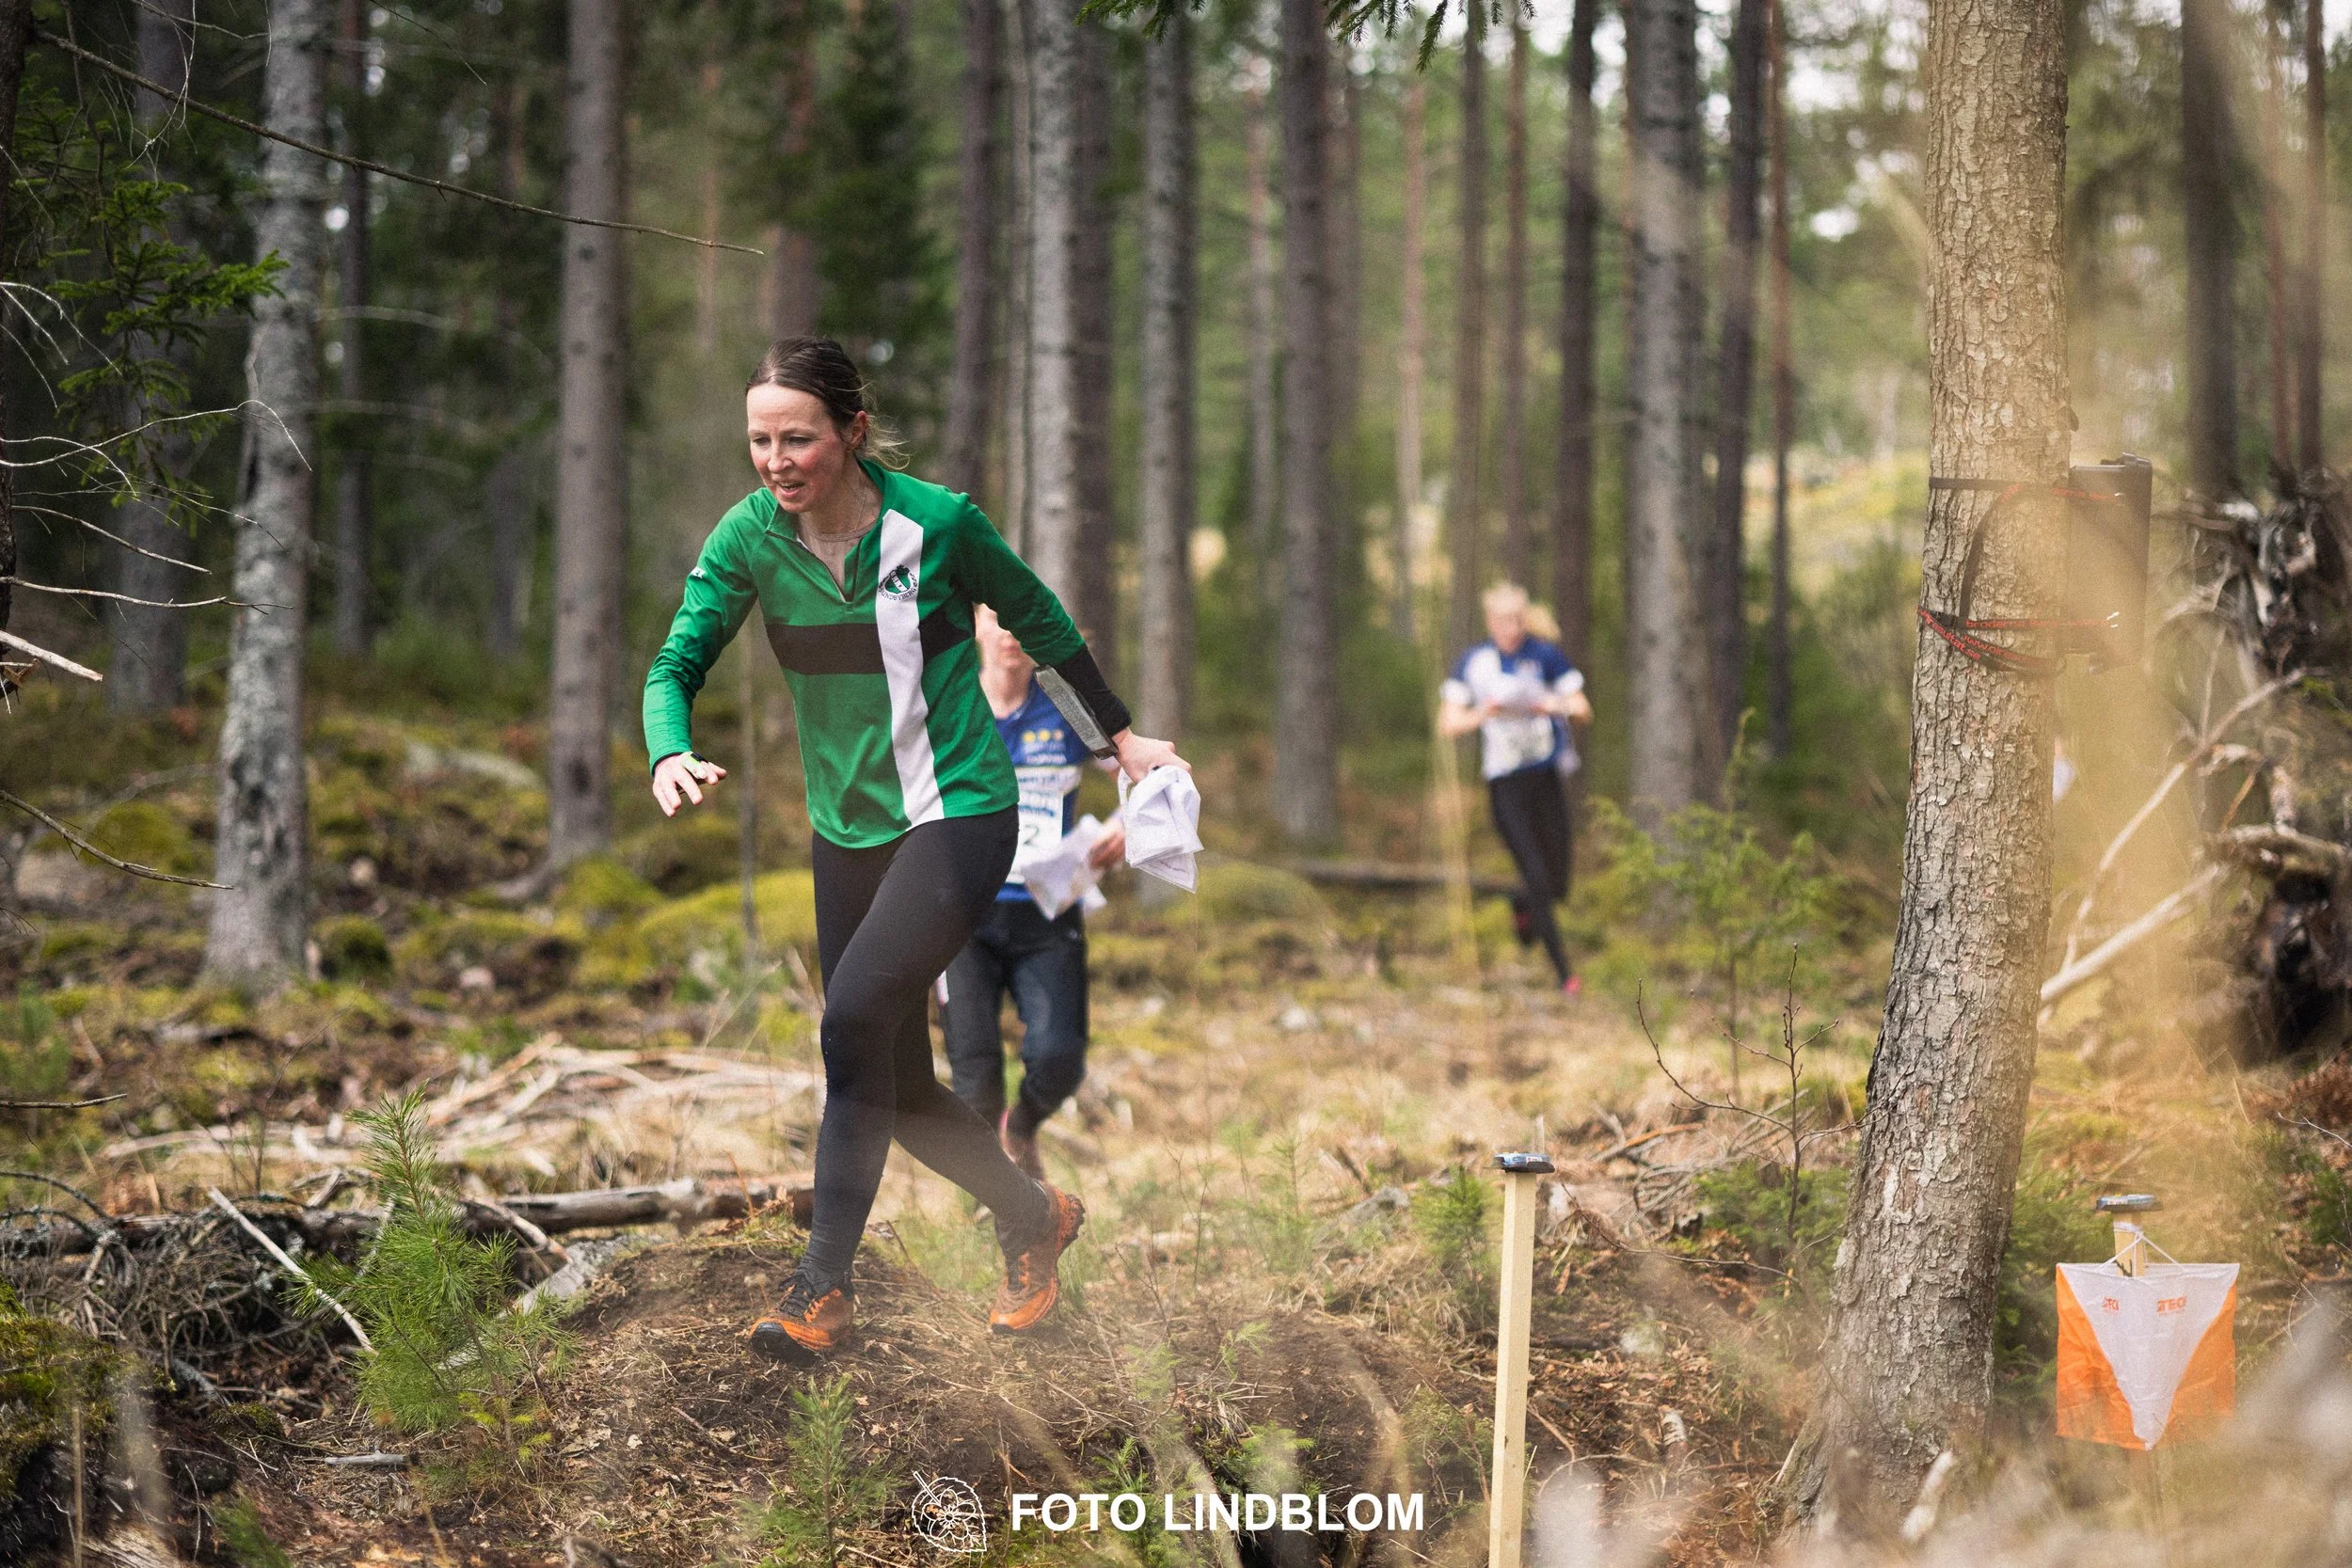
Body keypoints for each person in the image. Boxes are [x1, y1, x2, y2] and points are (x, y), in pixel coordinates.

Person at [643, 338, 1186, 1357]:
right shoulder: (749, 537)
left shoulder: (939, 524)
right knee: (890, 1078)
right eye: (760, 440)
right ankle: (1032, 1215)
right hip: (846, 831)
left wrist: (1120, 738)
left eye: (798, 438)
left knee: (848, 1018)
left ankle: (819, 1288)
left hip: (960, 809)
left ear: (852, 431)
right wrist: (669, 746)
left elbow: (1041, 620)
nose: (776, 460)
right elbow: (675, 661)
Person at [943, 607, 1127, 1180]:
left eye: (1020, 619)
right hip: (961, 919)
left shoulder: (1066, 708)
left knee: (1060, 1060)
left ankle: (1019, 1129)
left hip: (1047, 912)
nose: (1010, 635)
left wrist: (1125, 826)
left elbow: (1138, 772)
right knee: (973, 1078)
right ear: (976, 626)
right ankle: (1001, 1201)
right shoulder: (948, 705)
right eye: (998, 619)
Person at [1438, 582, 1592, 993]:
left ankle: (1521, 904)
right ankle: (1565, 975)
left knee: (1557, 883)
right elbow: (1449, 724)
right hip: (1505, 786)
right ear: (1491, 622)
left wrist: (1554, 705)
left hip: (1545, 780)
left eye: (1518, 620)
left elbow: (1582, 709)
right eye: (1504, 621)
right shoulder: (1475, 662)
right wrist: (1484, 713)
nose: (1512, 629)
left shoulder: (1545, 656)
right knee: (1536, 876)